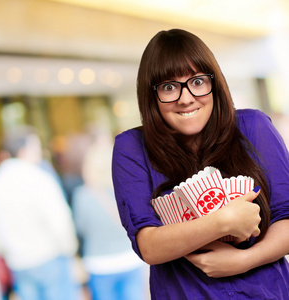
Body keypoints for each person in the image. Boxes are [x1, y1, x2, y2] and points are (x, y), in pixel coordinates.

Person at [112, 29, 289, 299]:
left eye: (197, 81)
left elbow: (286, 219)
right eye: (169, 87)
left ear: (214, 83)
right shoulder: (131, 148)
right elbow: (149, 246)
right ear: (151, 95)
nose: (185, 98)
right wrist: (223, 222)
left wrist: (243, 260)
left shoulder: (253, 126)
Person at [0, 125, 81, 300]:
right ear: (23, 150)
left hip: (19, 264)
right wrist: (70, 250)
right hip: (50, 259)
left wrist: (9, 251)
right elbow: (59, 221)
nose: (39, 152)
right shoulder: (38, 178)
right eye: (36, 147)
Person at [72, 134, 148, 300]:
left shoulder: (83, 196)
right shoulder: (129, 189)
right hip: (130, 259)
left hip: (99, 264)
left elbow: (81, 228)